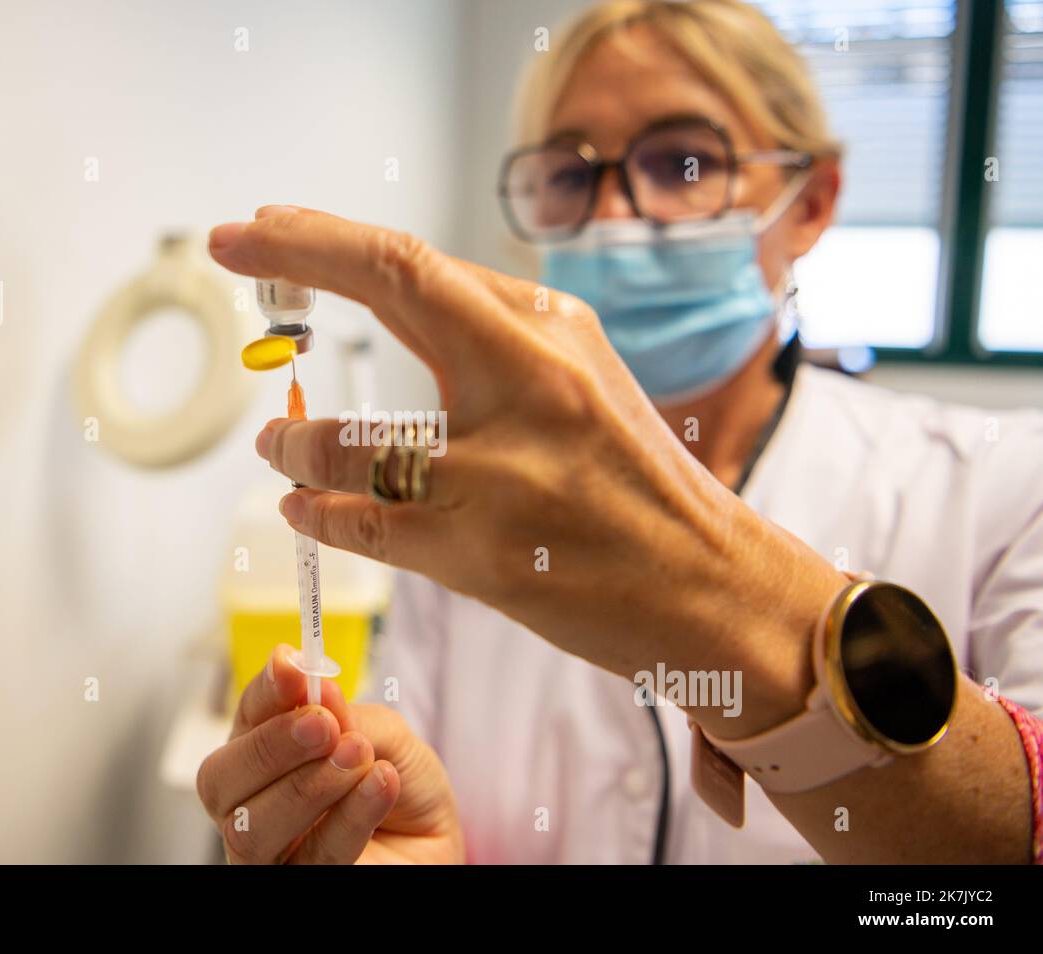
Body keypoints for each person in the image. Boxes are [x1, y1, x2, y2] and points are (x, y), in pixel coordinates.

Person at [196, 0, 1043, 864]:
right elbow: (413, 811)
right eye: (569, 175)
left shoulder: (1002, 489)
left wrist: (713, 591)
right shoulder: (459, 519)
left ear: (811, 201)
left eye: (682, 162)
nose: (612, 216)